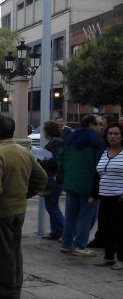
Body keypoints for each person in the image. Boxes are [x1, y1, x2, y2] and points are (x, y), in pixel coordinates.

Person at [0, 117, 47, 299]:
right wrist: (22, 195)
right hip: (17, 210)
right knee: (13, 251)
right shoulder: (23, 151)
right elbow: (41, 177)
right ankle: (14, 286)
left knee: (0, 253)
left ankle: (7, 290)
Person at [58, 114, 104, 256]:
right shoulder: (97, 141)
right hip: (88, 183)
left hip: (71, 181)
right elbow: (100, 164)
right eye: (99, 124)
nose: (101, 127)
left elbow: (61, 158)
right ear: (91, 125)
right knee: (87, 216)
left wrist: (67, 173)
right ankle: (80, 246)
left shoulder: (70, 138)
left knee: (70, 214)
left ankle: (66, 243)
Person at [94, 123, 123, 269]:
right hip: (104, 195)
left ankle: (121, 259)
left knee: (120, 229)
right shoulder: (103, 152)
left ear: (121, 136)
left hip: (119, 197)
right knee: (106, 228)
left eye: (116, 134)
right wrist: (93, 195)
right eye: (110, 133)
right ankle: (108, 256)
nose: (113, 136)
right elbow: (97, 175)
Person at [40, 121, 65, 240]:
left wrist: (41, 161)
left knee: (52, 206)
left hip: (53, 177)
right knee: (51, 205)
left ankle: (63, 231)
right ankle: (56, 231)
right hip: (54, 176)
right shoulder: (57, 141)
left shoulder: (55, 142)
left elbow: (54, 161)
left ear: (48, 130)